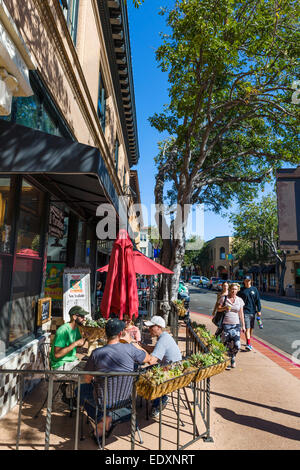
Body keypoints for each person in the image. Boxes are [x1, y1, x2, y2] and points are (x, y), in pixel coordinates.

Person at [79, 318, 154, 444]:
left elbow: (87, 379)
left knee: (79, 391)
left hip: (103, 401)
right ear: (121, 334)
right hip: (126, 400)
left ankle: (102, 420)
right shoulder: (130, 349)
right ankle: (105, 419)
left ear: (105, 333)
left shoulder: (97, 353)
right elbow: (149, 359)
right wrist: (133, 343)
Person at [141, 315, 182, 417]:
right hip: (175, 369)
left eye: (151, 327)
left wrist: (139, 350)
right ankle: (156, 399)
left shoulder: (162, 340)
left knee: (144, 375)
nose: (149, 329)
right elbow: (154, 349)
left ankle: (159, 400)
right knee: (148, 372)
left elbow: (151, 361)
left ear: (158, 327)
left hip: (170, 374)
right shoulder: (165, 336)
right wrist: (142, 346)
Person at [50, 305, 88, 371]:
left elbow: (80, 345)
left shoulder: (76, 329)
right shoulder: (63, 330)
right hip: (60, 366)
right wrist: (75, 343)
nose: (84, 319)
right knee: (88, 375)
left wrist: (88, 337)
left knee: (93, 367)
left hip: (72, 362)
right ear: (74, 317)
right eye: (82, 316)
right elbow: (57, 354)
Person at [217, 283, 245, 369]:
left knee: (237, 345)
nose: (233, 291)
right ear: (229, 289)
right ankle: (228, 360)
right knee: (226, 344)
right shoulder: (224, 298)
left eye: (235, 289)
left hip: (236, 325)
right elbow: (218, 308)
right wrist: (225, 308)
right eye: (232, 289)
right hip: (226, 324)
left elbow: (241, 313)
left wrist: (243, 325)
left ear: (238, 290)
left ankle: (233, 356)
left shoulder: (239, 300)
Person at [238, 275, 262, 351]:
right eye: (246, 281)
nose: (247, 282)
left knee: (251, 328)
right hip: (245, 312)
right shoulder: (241, 290)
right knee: (247, 328)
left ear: (250, 281)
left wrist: (259, 310)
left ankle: (249, 341)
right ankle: (248, 344)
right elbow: (237, 299)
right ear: (244, 281)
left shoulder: (254, 289)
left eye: (248, 280)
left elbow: (258, 301)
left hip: (253, 312)